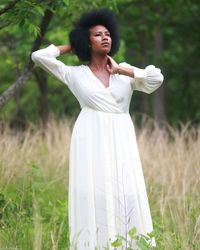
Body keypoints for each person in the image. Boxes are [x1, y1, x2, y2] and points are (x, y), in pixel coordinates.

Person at [32, 8, 164, 250]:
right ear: (87, 41)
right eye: (96, 35)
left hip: (121, 135)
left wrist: (121, 70)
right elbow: (39, 57)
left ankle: (130, 244)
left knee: (126, 190)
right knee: (94, 190)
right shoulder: (75, 74)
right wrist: (72, 46)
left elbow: (156, 79)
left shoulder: (124, 72)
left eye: (107, 34)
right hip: (90, 136)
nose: (105, 37)